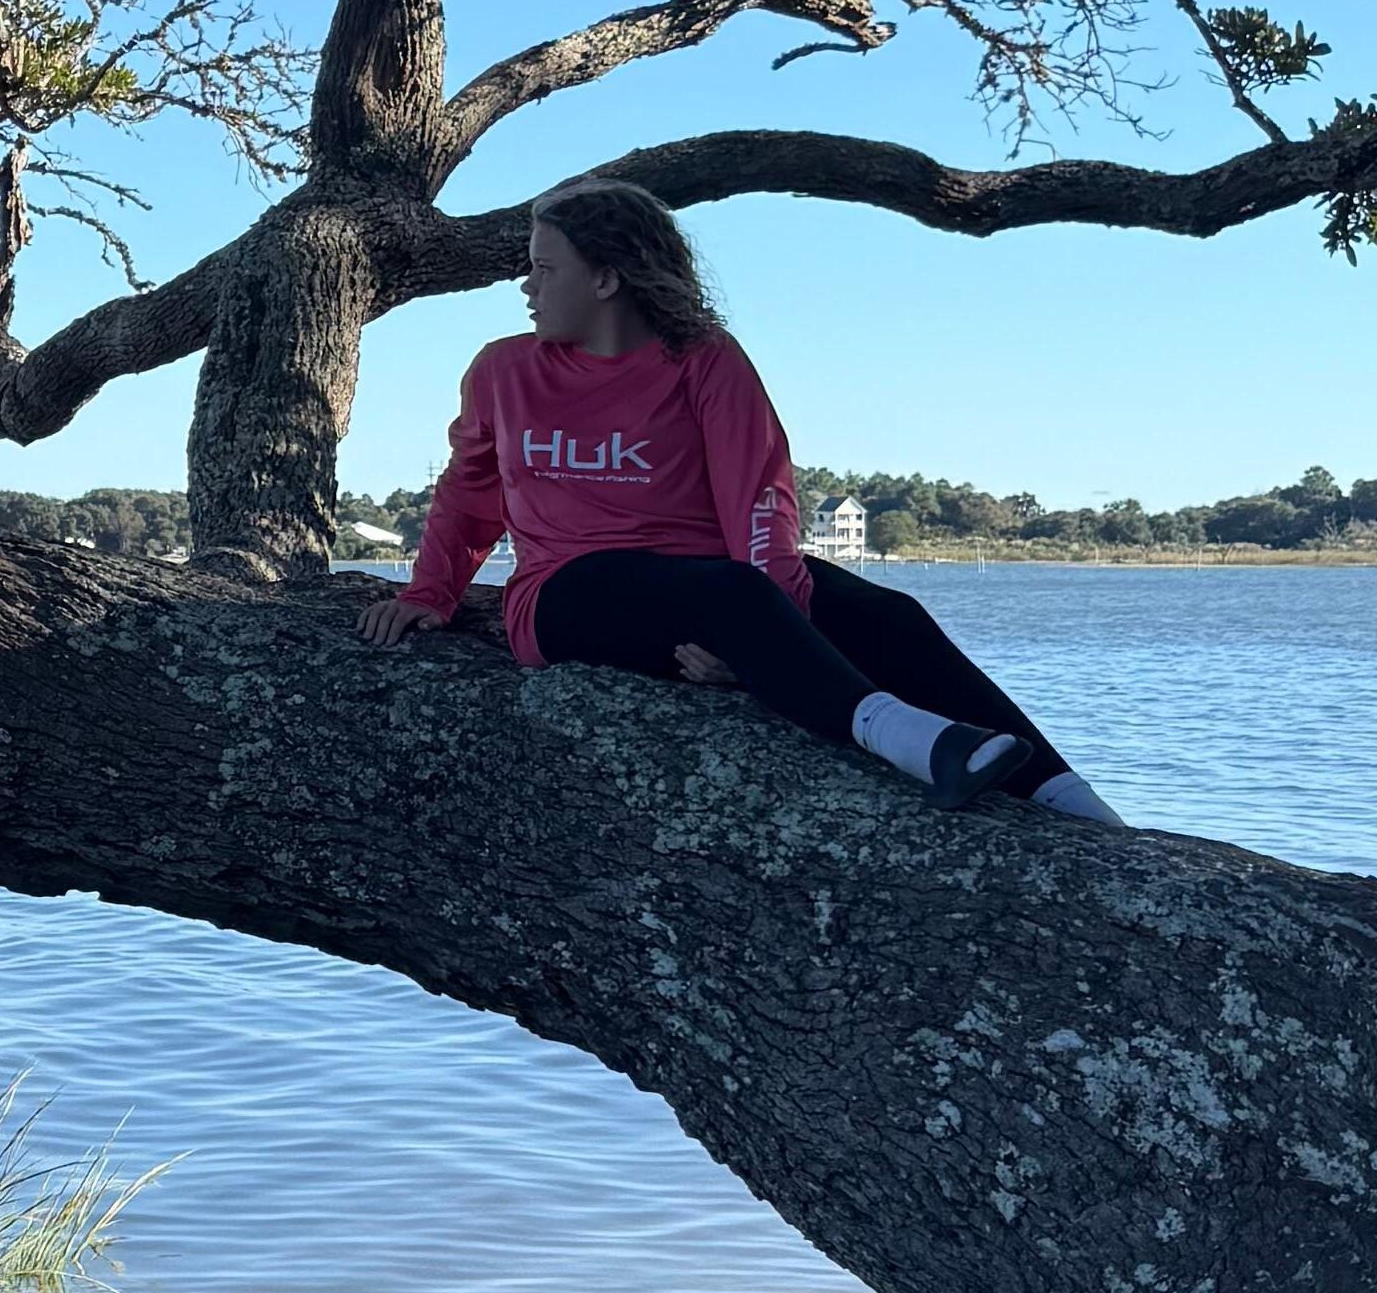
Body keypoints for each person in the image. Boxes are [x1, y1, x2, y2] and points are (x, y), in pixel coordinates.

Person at [360, 177, 1122, 823]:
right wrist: (430, 592)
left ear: (605, 278)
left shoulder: (704, 361)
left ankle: (1078, 804)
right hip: (569, 593)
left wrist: (764, 636)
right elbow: (469, 493)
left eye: (543, 269)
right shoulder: (503, 371)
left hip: (719, 592)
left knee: (892, 617)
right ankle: (927, 746)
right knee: (726, 592)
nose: (527, 288)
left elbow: (761, 505)